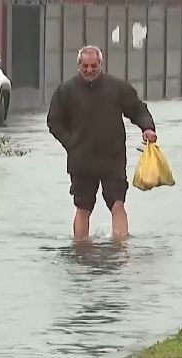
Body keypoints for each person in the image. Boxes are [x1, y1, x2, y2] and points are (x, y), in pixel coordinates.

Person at [47, 45, 157, 240]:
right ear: (79, 65)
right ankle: (80, 247)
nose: (90, 70)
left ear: (101, 64)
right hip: (81, 159)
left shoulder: (118, 88)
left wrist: (147, 128)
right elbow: (54, 122)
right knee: (83, 206)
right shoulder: (66, 91)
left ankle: (120, 247)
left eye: (94, 66)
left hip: (112, 158)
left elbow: (138, 110)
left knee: (117, 203)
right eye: (85, 66)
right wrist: (71, 143)